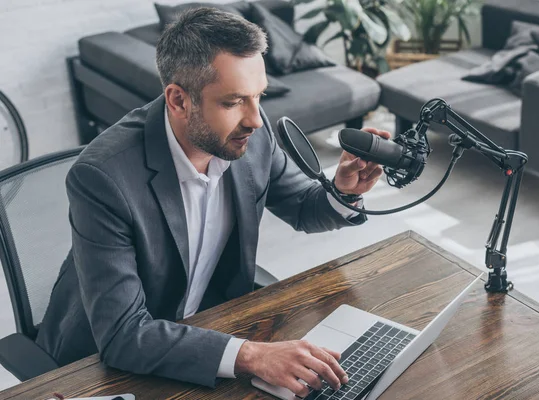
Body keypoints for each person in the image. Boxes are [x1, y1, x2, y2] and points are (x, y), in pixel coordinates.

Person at [36, 7, 390, 397]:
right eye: (233, 101)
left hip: (207, 330)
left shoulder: (252, 137)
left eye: (258, 97)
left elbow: (305, 208)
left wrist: (344, 190)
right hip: (100, 367)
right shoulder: (102, 178)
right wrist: (251, 355)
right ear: (178, 100)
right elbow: (124, 334)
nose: (256, 119)